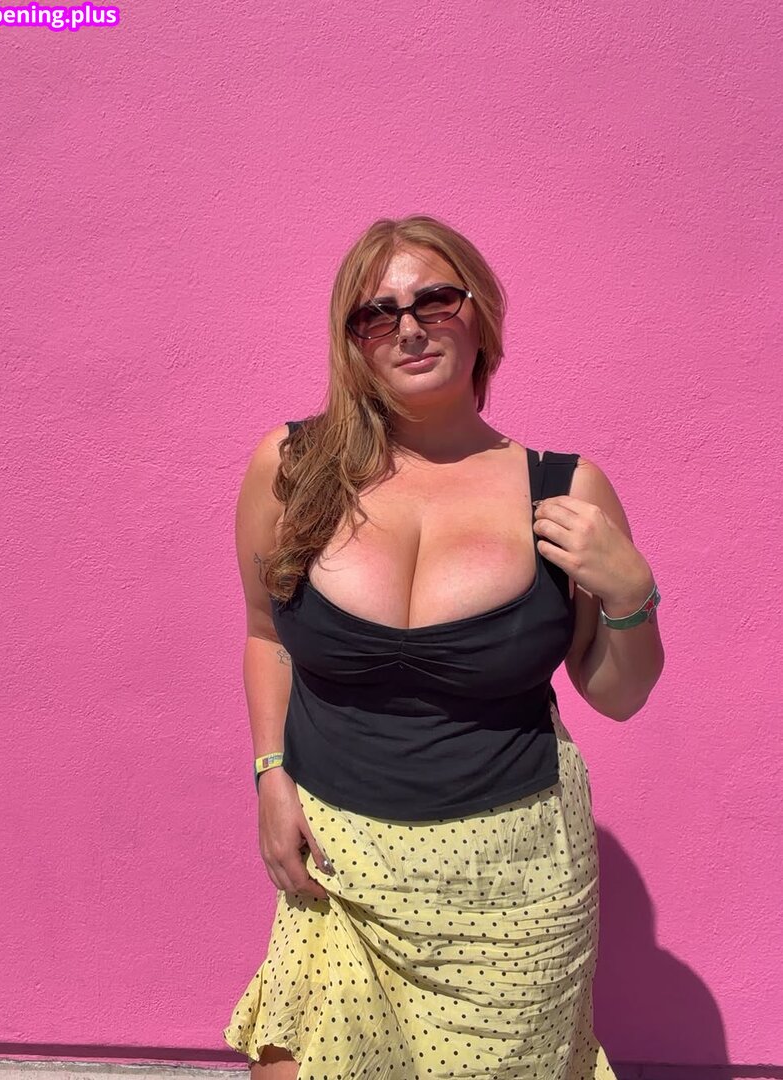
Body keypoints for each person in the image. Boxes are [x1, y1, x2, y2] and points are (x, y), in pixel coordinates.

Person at [223, 214, 664, 1080]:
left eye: (435, 299)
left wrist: (631, 595)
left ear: (481, 314)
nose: (410, 328)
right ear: (352, 340)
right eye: (377, 313)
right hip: (340, 862)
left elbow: (617, 693)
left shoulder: (563, 490)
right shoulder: (294, 468)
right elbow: (266, 634)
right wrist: (271, 775)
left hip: (516, 883)